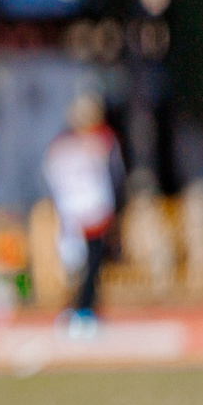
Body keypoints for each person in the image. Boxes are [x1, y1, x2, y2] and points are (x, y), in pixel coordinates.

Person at [42, 94, 121, 336]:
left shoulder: (96, 141)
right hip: (81, 214)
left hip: (89, 215)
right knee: (79, 267)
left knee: (90, 265)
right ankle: (80, 310)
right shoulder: (77, 144)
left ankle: (85, 308)